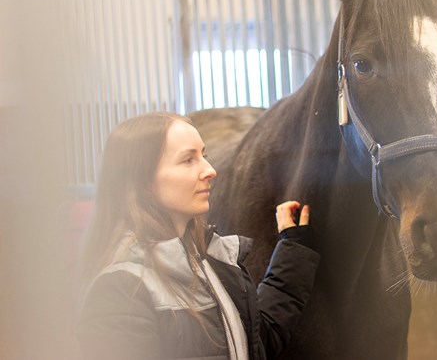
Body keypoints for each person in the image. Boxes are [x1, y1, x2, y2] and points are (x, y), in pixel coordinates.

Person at [76, 112, 319, 360]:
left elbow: (253, 344)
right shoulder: (120, 293)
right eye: (187, 160)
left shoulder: (206, 263)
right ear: (142, 180)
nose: (210, 170)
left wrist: (294, 248)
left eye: (204, 155)